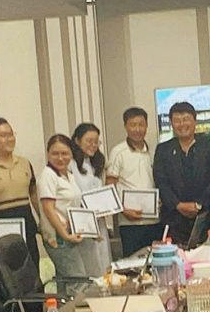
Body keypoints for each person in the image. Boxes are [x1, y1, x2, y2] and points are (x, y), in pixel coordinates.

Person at [154, 102, 210, 246]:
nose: (182, 124)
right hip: (173, 219)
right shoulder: (163, 150)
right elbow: (161, 182)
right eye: (177, 120)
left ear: (195, 121)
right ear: (172, 124)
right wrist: (178, 205)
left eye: (186, 119)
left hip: (204, 218)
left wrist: (199, 204)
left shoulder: (209, 147)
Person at [107, 107, 162, 256]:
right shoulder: (118, 152)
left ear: (147, 125)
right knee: (133, 262)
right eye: (133, 125)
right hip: (129, 222)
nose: (137, 129)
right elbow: (110, 185)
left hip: (154, 220)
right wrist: (123, 210)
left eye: (141, 124)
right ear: (125, 126)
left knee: (156, 260)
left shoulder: (153, 151)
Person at [0, 118, 40, 270]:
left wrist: (42, 222)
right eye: (3, 135)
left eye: (11, 134)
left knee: (32, 270)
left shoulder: (25, 163)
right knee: (5, 274)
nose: (9, 139)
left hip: (26, 225)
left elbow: (33, 194)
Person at [37, 134, 89, 279]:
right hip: (59, 237)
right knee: (77, 281)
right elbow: (48, 209)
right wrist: (65, 235)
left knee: (65, 281)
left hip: (70, 233)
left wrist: (90, 228)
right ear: (48, 154)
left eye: (65, 153)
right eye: (55, 153)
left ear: (71, 154)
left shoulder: (68, 175)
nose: (60, 158)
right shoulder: (48, 175)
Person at [69, 123, 111, 277]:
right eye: (89, 141)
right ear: (77, 141)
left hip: (99, 220)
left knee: (103, 262)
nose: (93, 145)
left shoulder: (96, 163)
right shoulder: (71, 164)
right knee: (89, 264)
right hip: (83, 221)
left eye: (96, 142)